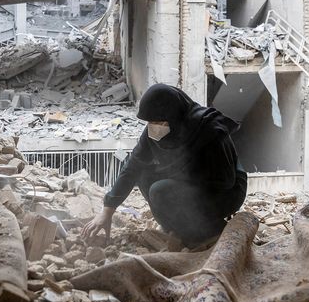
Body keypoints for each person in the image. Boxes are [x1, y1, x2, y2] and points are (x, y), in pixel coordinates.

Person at [81, 84, 248, 248]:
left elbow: (225, 180)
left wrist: (181, 179)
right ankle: (177, 231)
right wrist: (107, 211)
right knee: (144, 175)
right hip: (190, 182)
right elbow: (132, 167)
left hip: (226, 190)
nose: (153, 127)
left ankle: (208, 231)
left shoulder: (208, 129)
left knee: (161, 190)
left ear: (174, 116)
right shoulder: (156, 132)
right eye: (150, 122)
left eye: (158, 121)